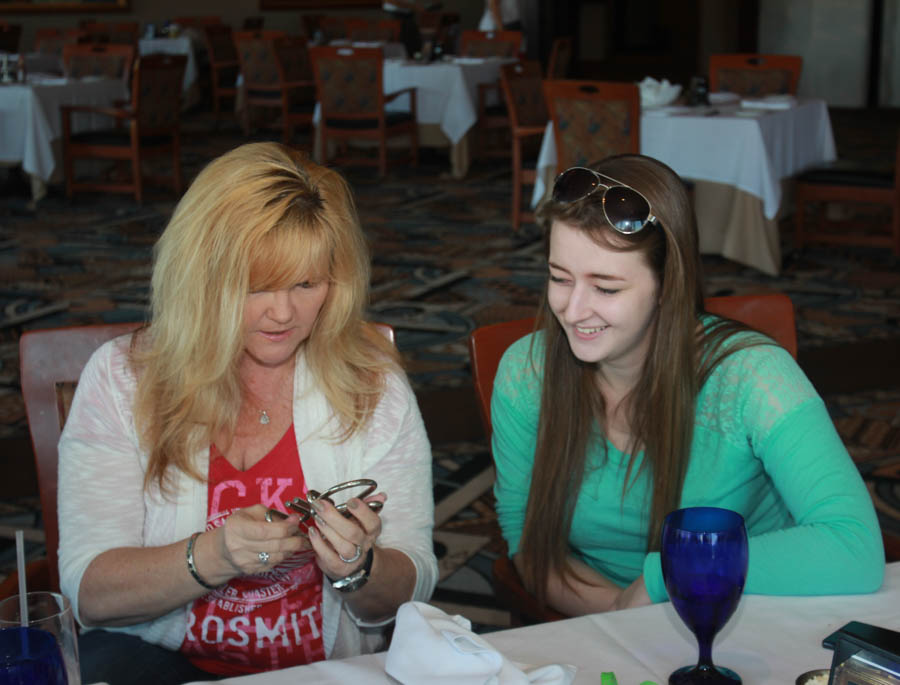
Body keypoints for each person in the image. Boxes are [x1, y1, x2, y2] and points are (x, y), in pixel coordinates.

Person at [57, 142, 438, 684]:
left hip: (323, 667)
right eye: (255, 286)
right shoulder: (124, 379)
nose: (283, 313)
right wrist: (214, 556)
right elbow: (90, 593)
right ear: (201, 279)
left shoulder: (372, 381)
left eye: (307, 284)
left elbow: (416, 576)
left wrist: (359, 570)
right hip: (161, 661)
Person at [491, 155, 885, 617]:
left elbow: (854, 546)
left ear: (667, 285)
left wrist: (668, 577)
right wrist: (624, 615)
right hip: (597, 615)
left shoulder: (752, 376)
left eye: (607, 288)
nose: (574, 310)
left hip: (745, 615)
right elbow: (529, 542)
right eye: (560, 278)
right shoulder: (526, 373)